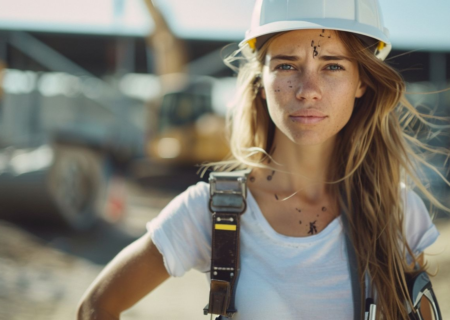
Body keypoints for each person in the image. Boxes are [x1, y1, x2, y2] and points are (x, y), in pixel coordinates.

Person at [78, 0, 446, 319]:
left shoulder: (396, 212)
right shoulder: (212, 211)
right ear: (261, 79)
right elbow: (97, 306)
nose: (307, 91)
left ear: (362, 82)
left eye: (332, 66)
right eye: (286, 66)